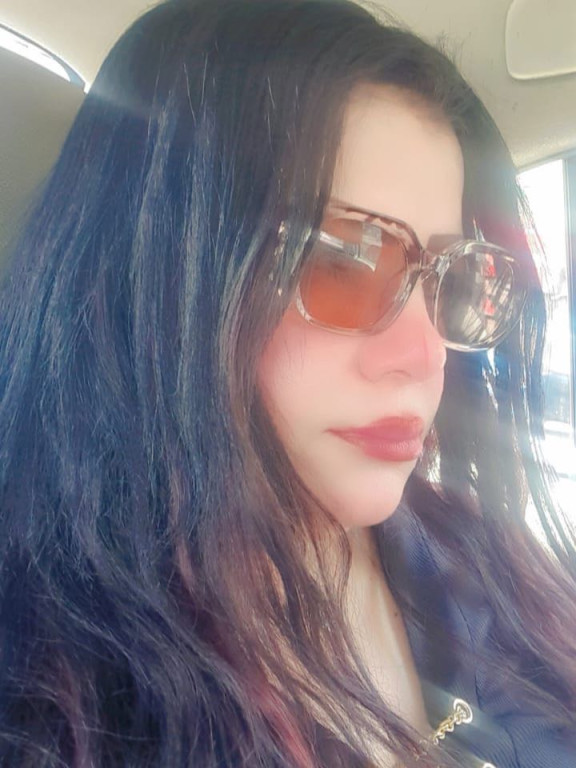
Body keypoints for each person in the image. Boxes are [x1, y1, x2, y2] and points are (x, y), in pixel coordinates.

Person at [0, 0, 575, 766]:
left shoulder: (469, 556)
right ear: (158, 277)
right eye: (340, 257)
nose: (425, 353)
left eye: (458, 276)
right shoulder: (59, 700)